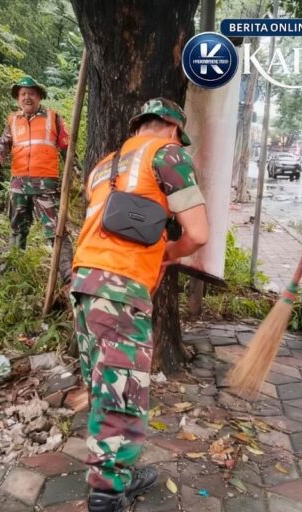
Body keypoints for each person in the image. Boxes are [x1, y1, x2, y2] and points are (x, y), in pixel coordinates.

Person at [72, 98, 209, 511]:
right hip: (120, 285)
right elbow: (198, 233)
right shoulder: (168, 155)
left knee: (103, 384)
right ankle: (109, 494)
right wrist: (170, 251)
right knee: (123, 391)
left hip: (83, 281)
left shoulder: (104, 164)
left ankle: (115, 475)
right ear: (171, 128)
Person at [0, 76, 74, 284]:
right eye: (23, 94)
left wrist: (77, 175)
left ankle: (67, 273)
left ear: (39, 96)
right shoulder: (13, 120)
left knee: (56, 228)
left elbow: (67, 149)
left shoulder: (54, 118)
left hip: (46, 185)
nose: (27, 97)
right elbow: (3, 143)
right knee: (18, 226)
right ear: (17, 98)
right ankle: (16, 267)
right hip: (19, 184)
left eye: (31, 93)